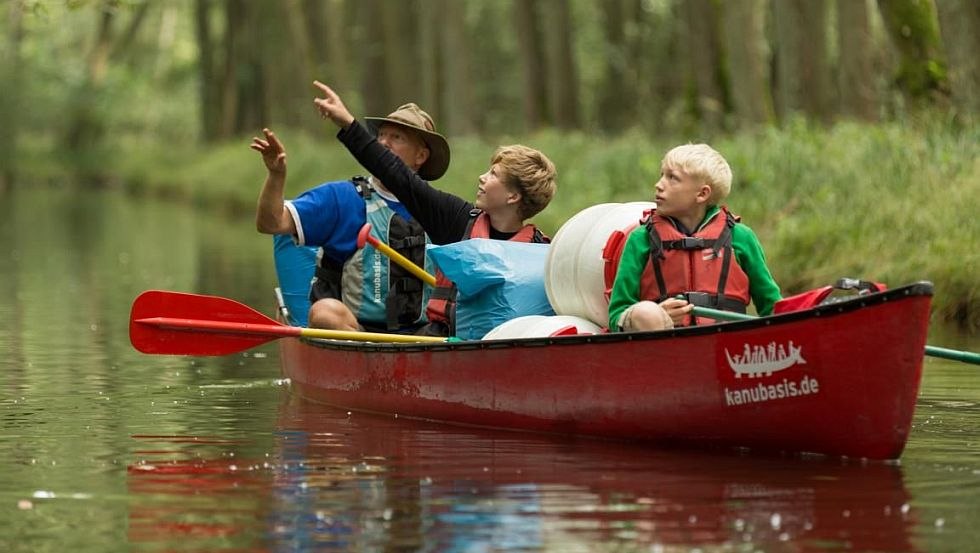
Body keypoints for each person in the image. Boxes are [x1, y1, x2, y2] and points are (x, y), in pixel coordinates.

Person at [311, 80, 558, 337]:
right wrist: (349, 125)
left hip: (502, 346)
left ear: (513, 196)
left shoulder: (539, 252)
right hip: (441, 340)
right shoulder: (456, 220)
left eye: (494, 174)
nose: (482, 178)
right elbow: (396, 175)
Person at [250, 101, 451, 333]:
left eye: (397, 137)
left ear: (421, 156)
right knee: (324, 313)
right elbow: (271, 224)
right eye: (381, 135)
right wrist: (276, 175)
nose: (383, 142)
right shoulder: (342, 198)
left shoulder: (440, 209)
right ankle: (370, 359)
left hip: (425, 335)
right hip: (354, 331)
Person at [607, 143, 781, 331]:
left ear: (702, 193)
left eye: (672, 178)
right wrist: (658, 316)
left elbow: (773, 308)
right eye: (662, 175)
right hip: (664, 343)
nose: (658, 185)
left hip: (727, 343)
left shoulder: (741, 237)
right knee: (646, 314)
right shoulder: (640, 239)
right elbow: (617, 313)